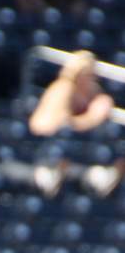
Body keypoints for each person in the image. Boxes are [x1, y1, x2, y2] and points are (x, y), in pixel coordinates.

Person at [29, 50, 125, 197]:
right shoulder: (63, 88)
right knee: (65, 141)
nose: (91, 78)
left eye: (92, 74)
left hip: (79, 147)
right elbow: (53, 126)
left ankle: (104, 178)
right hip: (46, 146)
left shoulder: (93, 92)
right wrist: (92, 117)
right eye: (87, 74)